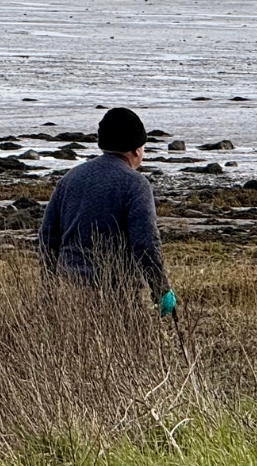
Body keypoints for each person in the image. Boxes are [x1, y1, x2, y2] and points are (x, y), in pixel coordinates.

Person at [37, 108, 176, 315]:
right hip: (117, 293)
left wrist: (49, 287)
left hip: (69, 288)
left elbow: (48, 237)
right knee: (127, 346)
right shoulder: (136, 184)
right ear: (137, 150)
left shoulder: (70, 179)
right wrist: (161, 289)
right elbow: (145, 242)